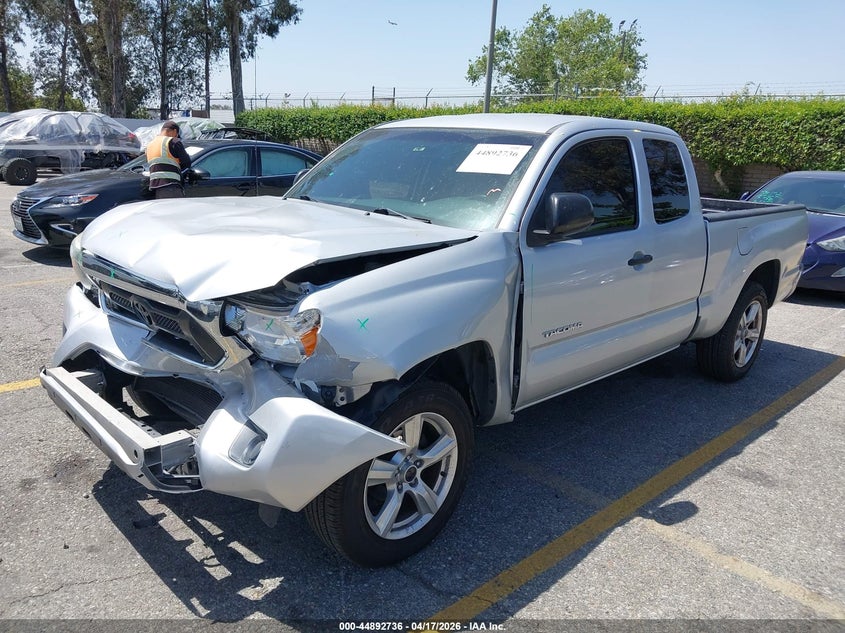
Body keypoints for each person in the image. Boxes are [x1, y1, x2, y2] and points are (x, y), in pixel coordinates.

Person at [146, 120, 192, 198]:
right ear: (174, 131)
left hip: (155, 187)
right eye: (177, 135)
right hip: (171, 186)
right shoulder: (173, 141)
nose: (176, 137)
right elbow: (187, 163)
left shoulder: (149, 145)